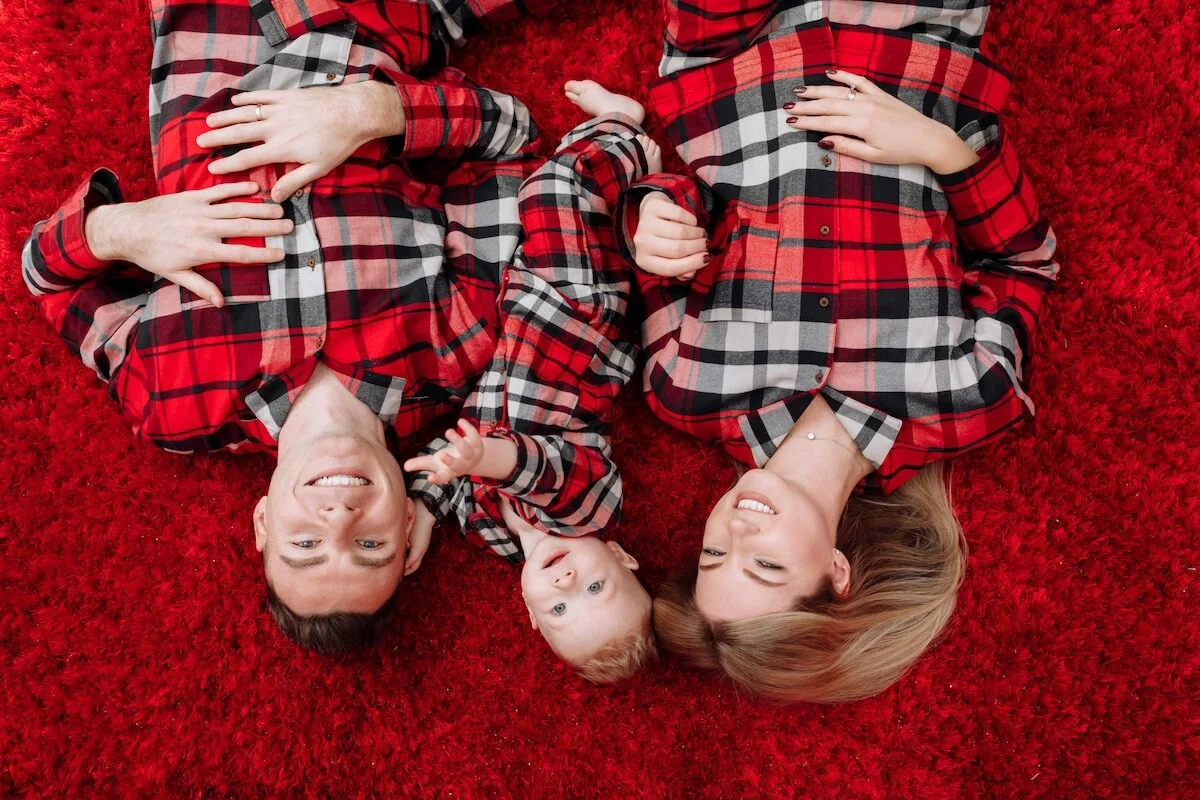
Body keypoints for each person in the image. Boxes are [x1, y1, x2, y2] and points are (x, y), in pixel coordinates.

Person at [21, 0, 555, 654]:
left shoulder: (174, 404)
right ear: (412, 530)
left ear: (264, 523)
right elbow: (515, 142)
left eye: (305, 546)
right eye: (370, 545)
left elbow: (45, 277)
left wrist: (123, 230)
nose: (338, 518)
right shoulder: (458, 350)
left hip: (210, 22)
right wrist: (374, 112)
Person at [619, 0, 1060, 702]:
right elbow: (1025, 261)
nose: (736, 528)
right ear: (836, 572)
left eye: (712, 552)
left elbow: (666, 230)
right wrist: (937, 149)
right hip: (915, 44)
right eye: (763, 566)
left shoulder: (683, 388)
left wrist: (651, 219)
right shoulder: (969, 400)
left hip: (733, 50)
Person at [403, 81, 662, 683]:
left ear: (528, 610)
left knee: (493, 216)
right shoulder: (594, 511)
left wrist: (423, 505)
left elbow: (450, 475)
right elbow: (542, 469)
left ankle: (614, 187)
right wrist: (481, 458)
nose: (569, 582)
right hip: (578, 321)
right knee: (552, 192)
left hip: (517, 314)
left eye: (560, 607)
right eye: (599, 585)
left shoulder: (488, 533)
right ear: (621, 555)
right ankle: (628, 134)